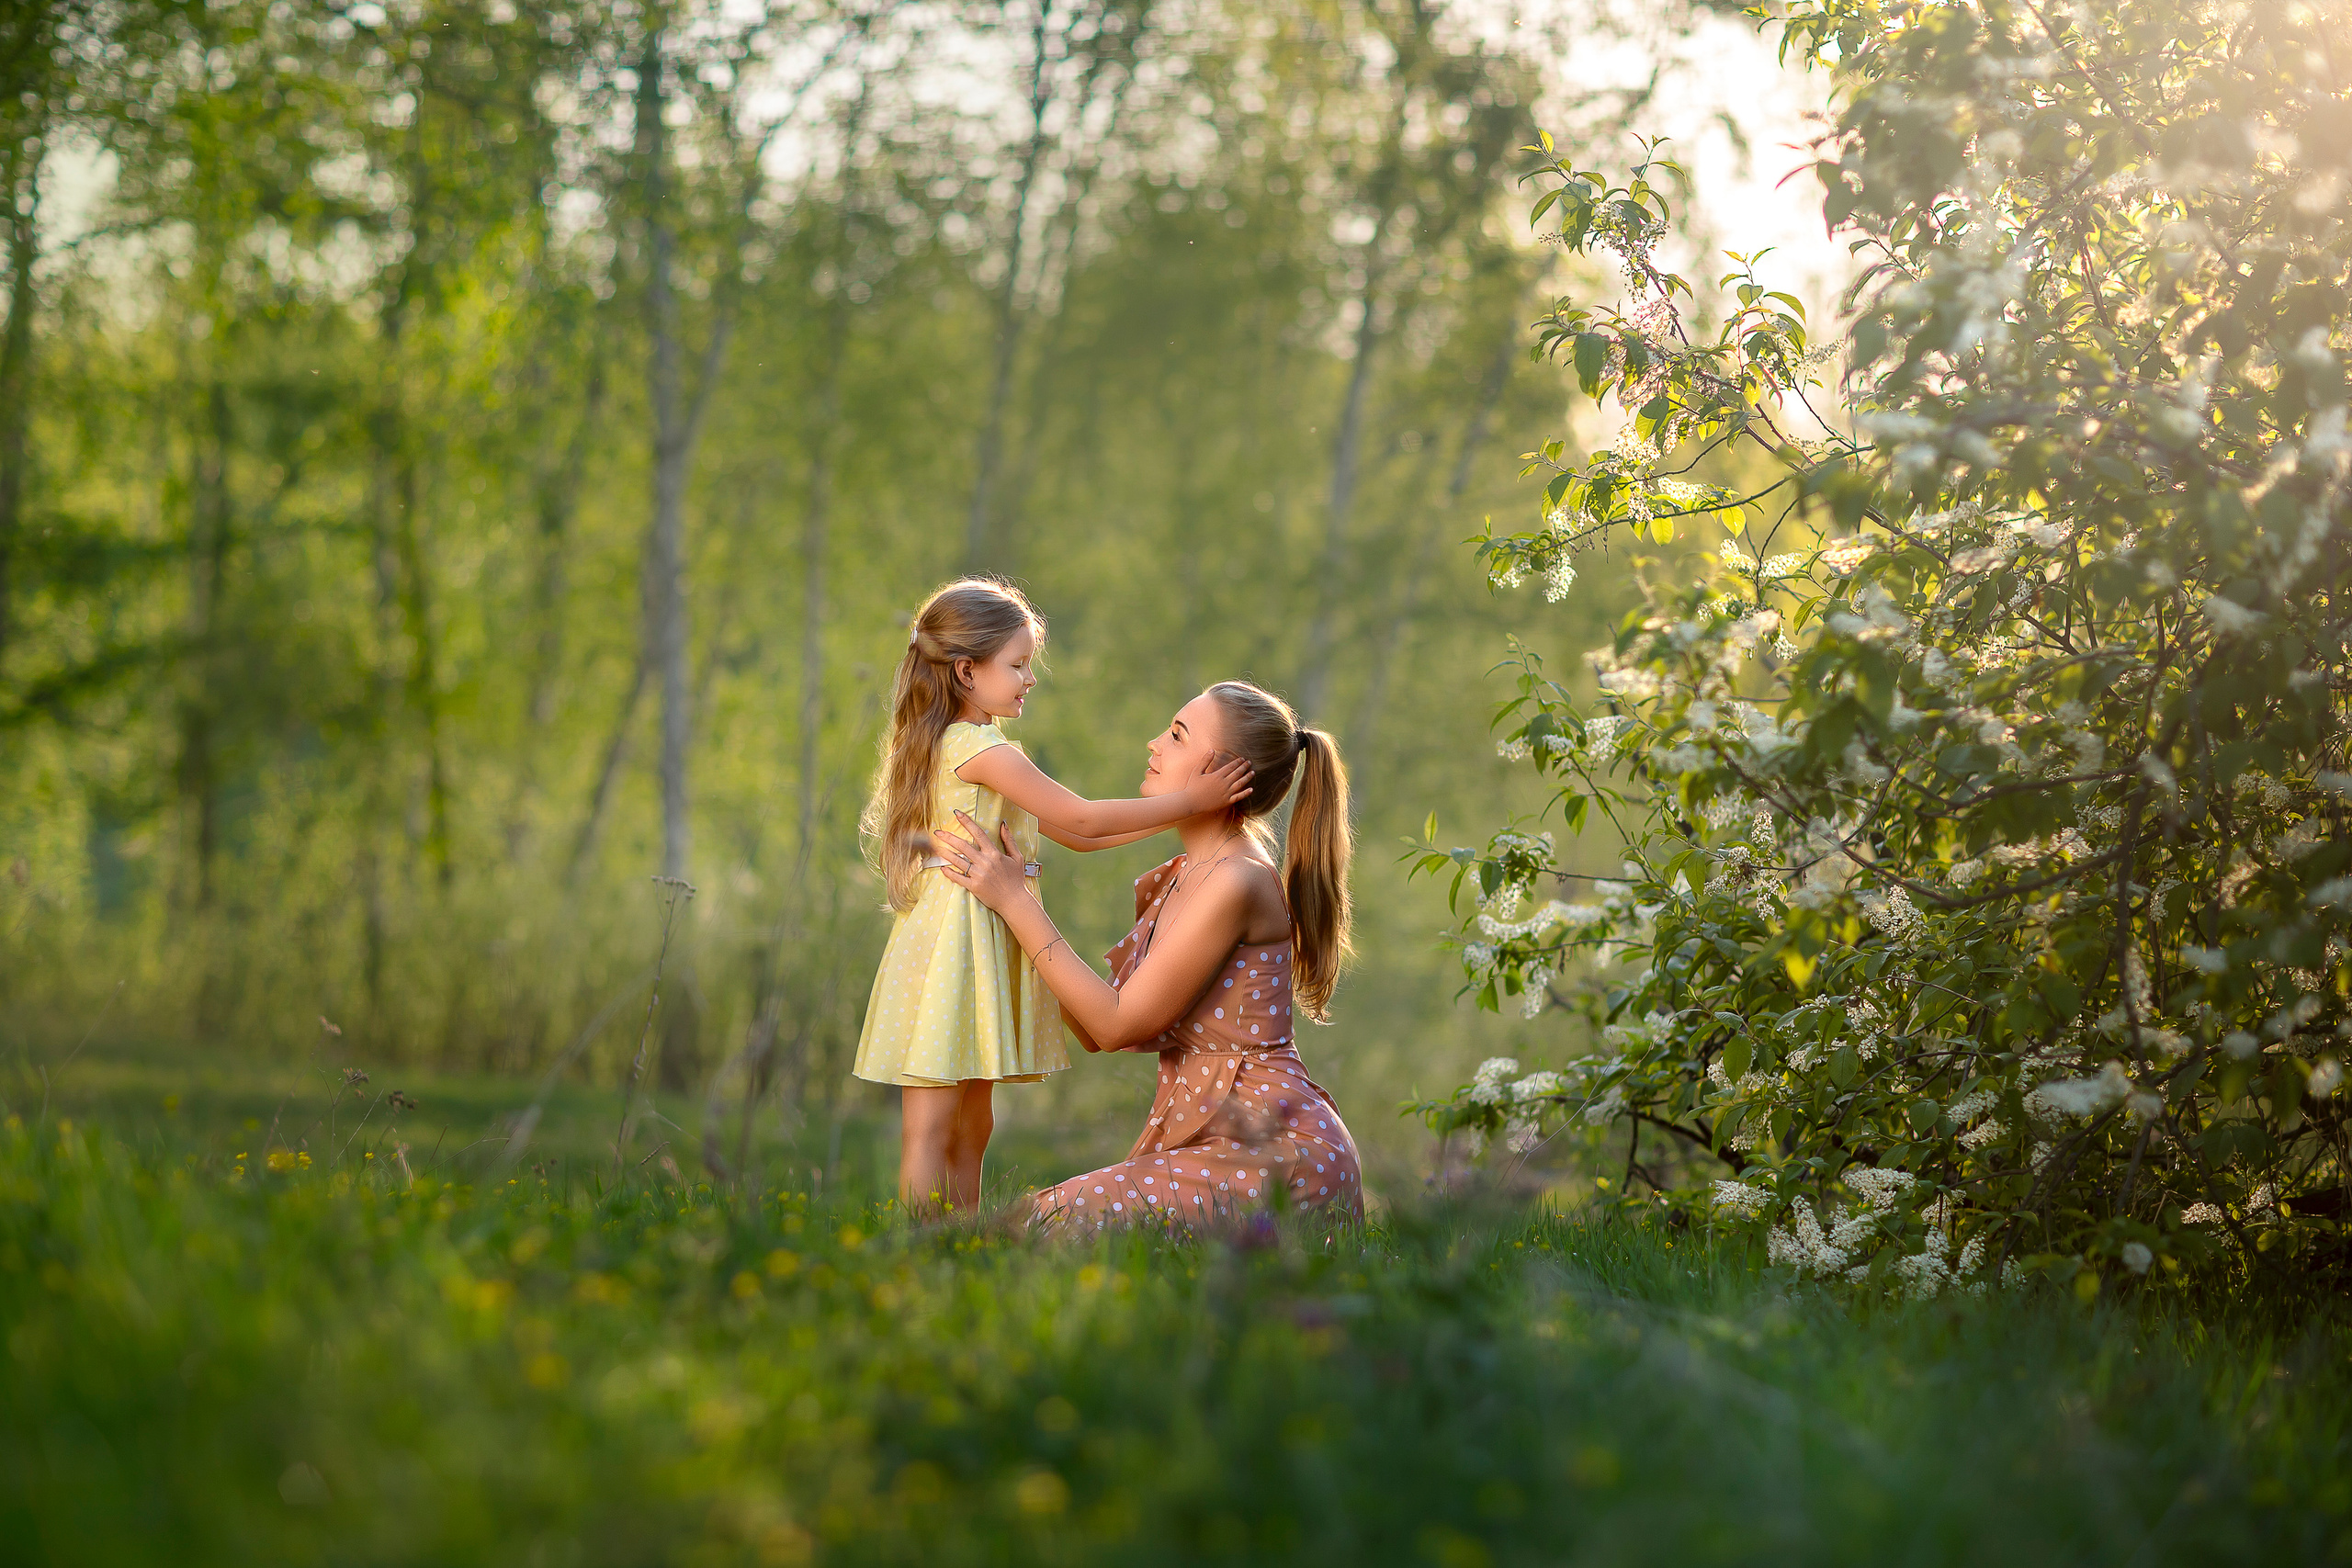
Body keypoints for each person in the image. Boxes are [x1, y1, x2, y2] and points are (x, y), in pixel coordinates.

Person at [854, 579, 1254, 1212]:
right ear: (966, 670)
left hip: (973, 938)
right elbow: (1086, 817)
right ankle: (921, 1247)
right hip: (952, 945)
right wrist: (1192, 800)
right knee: (933, 1122)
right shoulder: (977, 748)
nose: (1028, 678)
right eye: (1016, 665)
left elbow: (1075, 834)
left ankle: (960, 1237)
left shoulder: (962, 744)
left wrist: (1180, 817)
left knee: (970, 1122)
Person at [935, 680, 1363, 1231]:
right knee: (1027, 1224)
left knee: (1034, 1226)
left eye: (1178, 735)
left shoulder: (1236, 881)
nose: (1154, 743)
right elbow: (1098, 1027)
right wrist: (1012, 903)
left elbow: (1113, 1026)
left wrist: (1016, 903)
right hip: (1229, 1144)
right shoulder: (1191, 874)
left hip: (1280, 1151)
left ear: (1223, 773)